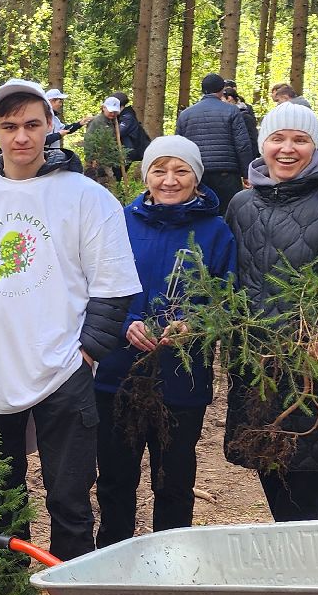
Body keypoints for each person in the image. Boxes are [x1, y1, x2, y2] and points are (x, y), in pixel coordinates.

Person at [0, 79, 141, 595]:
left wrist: (88, 353)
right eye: (9, 125)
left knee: (69, 496)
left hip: (60, 370)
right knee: (0, 491)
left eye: (32, 124)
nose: (21, 136)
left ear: (51, 124)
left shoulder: (84, 197)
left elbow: (113, 285)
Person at [225, 102, 318, 522]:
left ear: (316, 145)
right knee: (268, 460)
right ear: (262, 145)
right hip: (256, 360)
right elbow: (229, 278)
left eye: (299, 139)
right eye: (278, 138)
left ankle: (307, 570)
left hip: (315, 364)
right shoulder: (241, 205)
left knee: (305, 468)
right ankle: (292, 564)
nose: (287, 149)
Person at [92, 136, 237, 547]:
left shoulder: (216, 231)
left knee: (173, 480)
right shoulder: (121, 221)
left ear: (197, 178)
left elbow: (229, 298)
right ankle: (113, 555)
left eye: (181, 171)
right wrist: (125, 324)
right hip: (119, 373)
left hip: (181, 379)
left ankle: (170, 559)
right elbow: (99, 286)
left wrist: (197, 323)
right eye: (159, 170)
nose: (169, 180)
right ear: (146, 175)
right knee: (116, 477)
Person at [176, 73, 257, 212]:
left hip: (196, 174)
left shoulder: (185, 115)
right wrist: (247, 173)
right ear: (222, 90)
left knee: (198, 214)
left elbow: (178, 146)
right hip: (226, 174)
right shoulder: (232, 111)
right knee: (229, 214)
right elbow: (242, 144)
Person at [221, 84, 260, 155]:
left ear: (229, 98)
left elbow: (252, 139)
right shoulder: (226, 114)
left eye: (222, 99)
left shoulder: (245, 116)